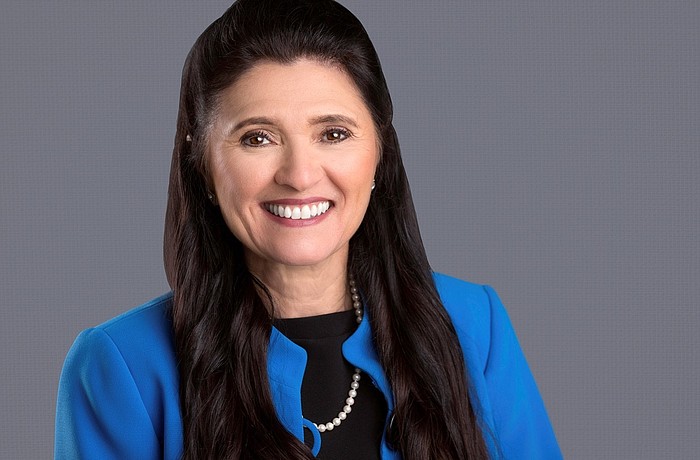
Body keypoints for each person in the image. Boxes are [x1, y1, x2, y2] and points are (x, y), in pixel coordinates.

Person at [54, 0, 562, 458]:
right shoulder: (120, 365)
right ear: (203, 166)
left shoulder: (474, 326)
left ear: (380, 153)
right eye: (257, 138)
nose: (299, 175)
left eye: (333, 133)